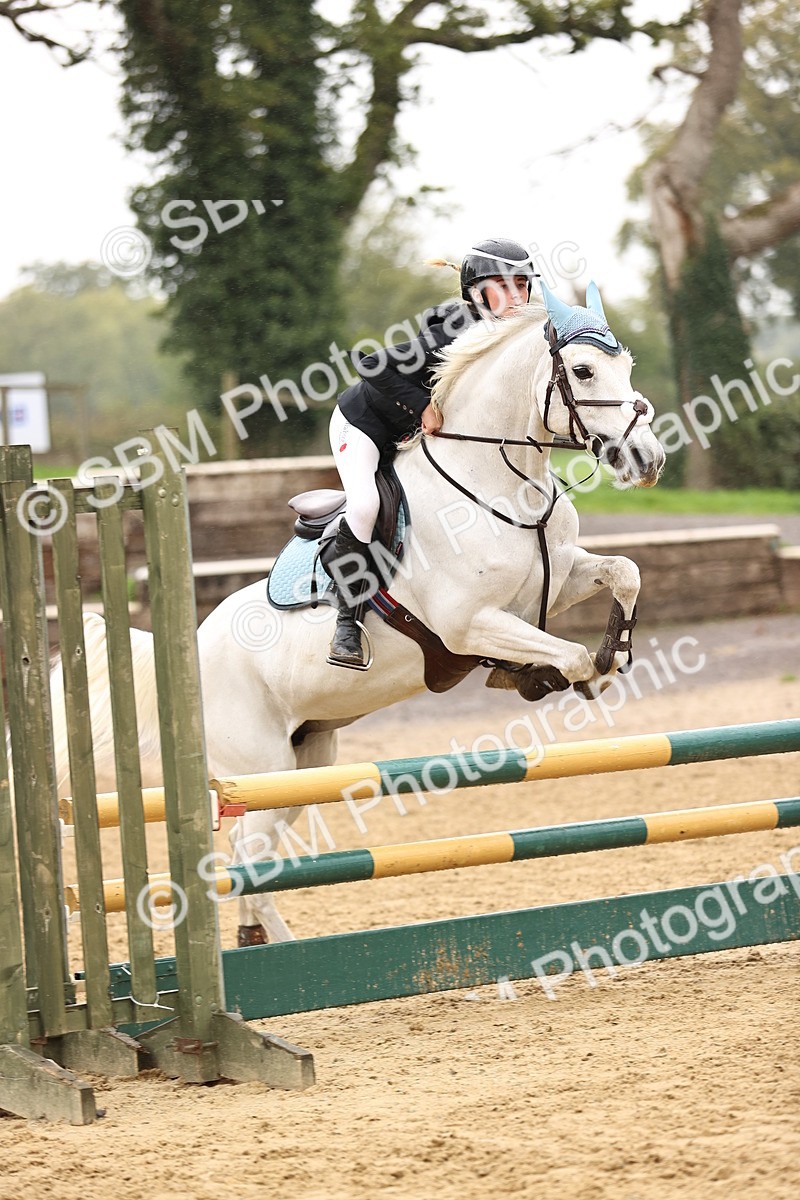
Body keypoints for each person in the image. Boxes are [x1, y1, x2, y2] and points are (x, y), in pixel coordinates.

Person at [327, 237, 539, 668]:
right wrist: (422, 406)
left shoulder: (510, 337)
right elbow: (370, 364)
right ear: (476, 292)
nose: (516, 296)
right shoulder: (453, 330)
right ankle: (346, 621)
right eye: (504, 285)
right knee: (366, 505)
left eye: (523, 284)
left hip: (412, 434)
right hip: (363, 425)